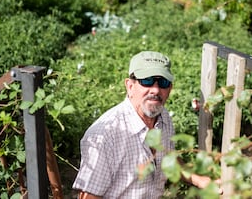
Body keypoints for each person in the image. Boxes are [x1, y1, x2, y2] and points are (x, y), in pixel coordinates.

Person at [73, 51, 214, 199]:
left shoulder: (163, 117)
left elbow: (168, 157)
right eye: (147, 81)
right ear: (130, 86)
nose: (155, 90)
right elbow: (89, 196)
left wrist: (201, 180)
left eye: (163, 83)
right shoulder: (105, 135)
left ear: (170, 89)